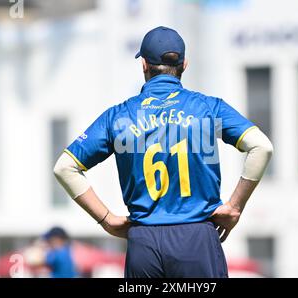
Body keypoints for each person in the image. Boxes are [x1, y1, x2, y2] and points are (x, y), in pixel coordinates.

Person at [53, 26, 273, 278]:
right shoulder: (209, 108)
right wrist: (234, 206)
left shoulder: (118, 116)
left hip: (143, 242)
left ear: (144, 65)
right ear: (184, 64)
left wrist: (107, 219)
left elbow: (64, 167)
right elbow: (261, 146)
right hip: (196, 238)